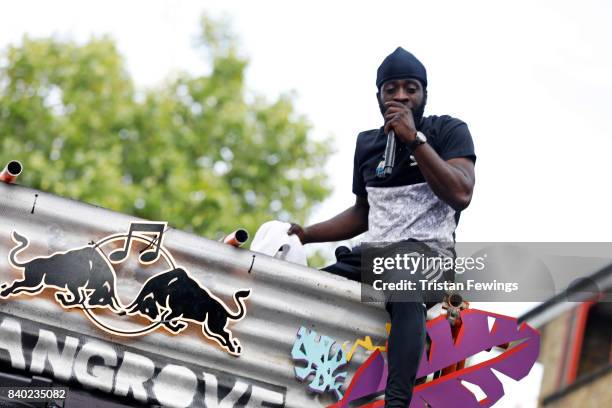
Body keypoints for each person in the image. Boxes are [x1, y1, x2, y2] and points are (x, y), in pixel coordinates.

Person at [288, 47, 476, 407]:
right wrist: (307, 234)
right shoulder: (368, 144)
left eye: (411, 88)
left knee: (405, 285)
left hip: (427, 258)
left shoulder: (447, 131)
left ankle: (397, 401)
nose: (401, 96)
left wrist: (414, 140)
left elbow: (461, 192)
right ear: (379, 96)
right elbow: (363, 212)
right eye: (391, 89)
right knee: (303, 288)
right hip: (375, 257)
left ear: (424, 94)